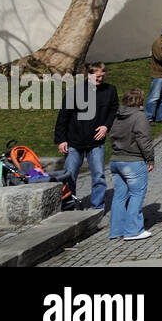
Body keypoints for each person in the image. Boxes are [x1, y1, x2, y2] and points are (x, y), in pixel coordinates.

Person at [55, 62, 118, 210]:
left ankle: (98, 206)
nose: (100, 80)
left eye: (102, 76)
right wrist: (61, 140)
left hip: (96, 141)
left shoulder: (110, 90)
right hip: (74, 141)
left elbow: (114, 110)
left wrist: (106, 126)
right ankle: (69, 206)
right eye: (97, 77)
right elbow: (63, 117)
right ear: (89, 75)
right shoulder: (75, 92)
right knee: (70, 176)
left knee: (99, 176)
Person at [108, 88, 154, 241]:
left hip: (116, 160)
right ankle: (133, 230)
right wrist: (150, 159)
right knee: (136, 194)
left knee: (119, 197)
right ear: (140, 100)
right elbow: (144, 140)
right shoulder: (139, 116)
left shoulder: (117, 116)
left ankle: (116, 230)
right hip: (133, 161)